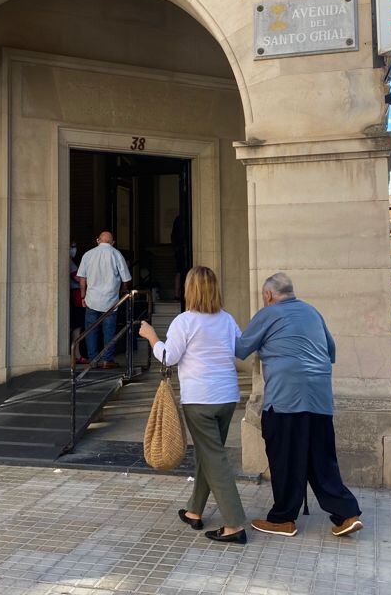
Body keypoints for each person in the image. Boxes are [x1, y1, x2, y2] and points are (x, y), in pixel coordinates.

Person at [236, 273, 362, 539]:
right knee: (322, 459)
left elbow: (240, 349)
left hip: (285, 400)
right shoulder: (313, 312)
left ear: (269, 295)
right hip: (320, 399)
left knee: (285, 459)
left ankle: (283, 519)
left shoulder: (268, 313)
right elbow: (331, 351)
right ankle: (346, 514)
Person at [139, 266, 247, 544]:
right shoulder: (227, 319)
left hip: (200, 399)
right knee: (208, 455)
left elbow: (168, 357)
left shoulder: (184, 321)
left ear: (190, 290)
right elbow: (240, 349)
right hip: (226, 397)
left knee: (214, 459)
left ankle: (234, 524)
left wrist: (151, 336)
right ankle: (194, 511)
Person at [77, 231, 132, 370]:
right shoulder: (116, 254)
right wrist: (124, 289)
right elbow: (126, 279)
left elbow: (82, 278)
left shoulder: (88, 254)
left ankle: (93, 360)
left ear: (98, 240)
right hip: (110, 301)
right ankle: (107, 360)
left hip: (91, 300)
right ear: (112, 242)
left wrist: (83, 296)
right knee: (109, 332)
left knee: (91, 331)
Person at [69, 241, 88, 364]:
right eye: (72, 246)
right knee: (77, 326)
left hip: (75, 295)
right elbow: (78, 278)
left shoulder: (71, 262)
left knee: (78, 326)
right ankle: (76, 355)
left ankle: (76, 354)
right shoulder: (69, 263)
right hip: (76, 296)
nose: (74, 249)